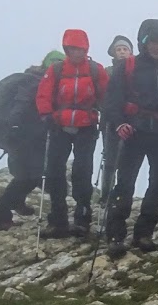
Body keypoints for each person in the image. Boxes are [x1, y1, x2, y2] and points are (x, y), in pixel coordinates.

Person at [104, 18, 158, 258]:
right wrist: (119, 123)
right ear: (144, 43)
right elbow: (112, 100)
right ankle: (115, 234)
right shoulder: (128, 66)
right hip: (134, 130)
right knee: (125, 182)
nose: (157, 46)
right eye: (152, 42)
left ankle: (144, 233)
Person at [35, 29, 109, 238]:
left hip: (86, 126)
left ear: (86, 49)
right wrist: (46, 115)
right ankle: (58, 219)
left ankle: (82, 217)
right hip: (59, 125)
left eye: (80, 49)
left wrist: (107, 116)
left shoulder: (95, 70)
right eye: (72, 49)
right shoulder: (57, 69)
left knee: (82, 171)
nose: (76, 52)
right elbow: (43, 94)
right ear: (66, 49)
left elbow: (106, 95)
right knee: (55, 171)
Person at [0, 52, 64, 231]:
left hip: (22, 134)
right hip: (25, 135)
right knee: (30, 176)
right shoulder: (36, 82)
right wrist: (15, 127)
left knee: (26, 174)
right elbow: (22, 105)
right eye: (56, 63)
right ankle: (0, 215)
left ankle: (14, 204)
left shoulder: (33, 78)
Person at [100, 37, 133, 199]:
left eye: (125, 49)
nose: (122, 52)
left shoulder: (135, 71)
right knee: (110, 158)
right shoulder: (107, 72)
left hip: (130, 119)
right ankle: (106, 192)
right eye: (118, 49)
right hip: (109, 120)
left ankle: (120, 192)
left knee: (127, 158)